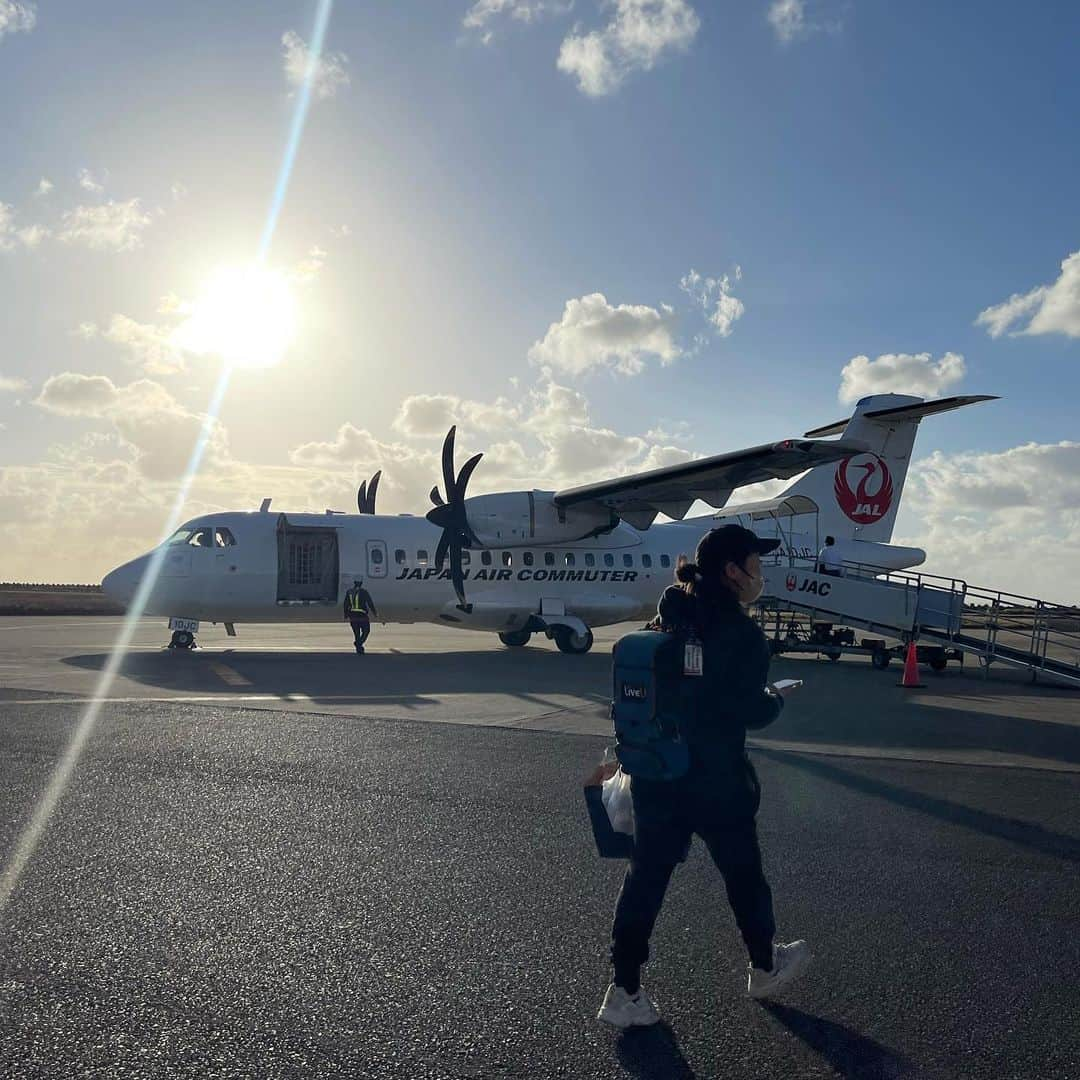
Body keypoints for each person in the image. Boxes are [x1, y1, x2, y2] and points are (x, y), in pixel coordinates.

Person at [597, 524, 809, 1029]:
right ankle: (763, 964)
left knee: (645, 878)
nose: (761, 573)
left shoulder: (667, 617)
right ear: (732, 571)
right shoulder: (740, 633)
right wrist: (775, 699)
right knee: (743, 876)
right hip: (716, 780)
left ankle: (623, 991)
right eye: (756, 564)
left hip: (658, 772)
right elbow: (748, 709)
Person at [343, 578, 378, 654]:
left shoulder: (349, 592)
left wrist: (346, 614)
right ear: (361, 583)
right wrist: (374, 612)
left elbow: (346, 604)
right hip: (362, 615)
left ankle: (359, 649)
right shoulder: (364, 592)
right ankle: (359, 644)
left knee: (357, 633)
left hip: (352, 616)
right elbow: (370, 603)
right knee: (366, 631)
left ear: (354, 583)